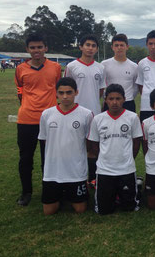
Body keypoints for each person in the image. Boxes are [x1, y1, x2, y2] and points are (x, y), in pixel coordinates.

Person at [14, 33, 62, 206]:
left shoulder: (55, 67)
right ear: (27, 49)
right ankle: (26, 192)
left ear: (45, 48)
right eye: (32, 48)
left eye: (39, 47)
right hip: (26, 120)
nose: (36, 51)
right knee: (25, 158)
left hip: (49, 121)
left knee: (48, 159)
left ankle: (48, 190)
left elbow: (58, 88)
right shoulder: (20, 69)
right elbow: (20, 88)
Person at [38, 77, 93, 215]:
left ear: (76, 92)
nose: (65, 96)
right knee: (49, 211)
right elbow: (45, 141)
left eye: (69, 92)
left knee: (80, 209)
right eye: (61, 93)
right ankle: (60, 194)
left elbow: (89, 143)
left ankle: (69, 193)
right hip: (52, 172)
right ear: (56, 93)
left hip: (76, 172)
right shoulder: (47, 114)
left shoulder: (86, 114)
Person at [87, 84, 143, 214]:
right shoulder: (98, 119)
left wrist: (129, 159)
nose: (114, 102)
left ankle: (136, 187)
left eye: (118, 98)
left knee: (129, 208)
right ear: (105, 100)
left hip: (126, 169)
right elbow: (94, 144)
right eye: (111, 99)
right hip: (105, 170)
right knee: (104, 210)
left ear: (124, 99)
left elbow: (136, 142)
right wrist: (103, 158)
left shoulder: (132, 117)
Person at [64, 34, 106, 185]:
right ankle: (75, 178)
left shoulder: (100, 67)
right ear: (80, 47)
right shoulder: (72, 66)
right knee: (75, 146)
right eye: (87, 45)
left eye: (93, 45)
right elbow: (66, 89)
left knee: (93, 147)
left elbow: (101, 91)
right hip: (75, 113)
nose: (90, 48)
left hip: (94, 114)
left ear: (96, 49)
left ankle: (92, 179)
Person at [101, 34, 138, 113]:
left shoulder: (134, 66)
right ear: (112, 47)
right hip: (110, 102)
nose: (119, 48)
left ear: (127, 47)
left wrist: (128, 97)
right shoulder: (104, 64)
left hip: (128, 102)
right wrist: (107, 97)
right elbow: (101, 84)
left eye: (122, 45)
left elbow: (136, 87)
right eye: (116, 45)